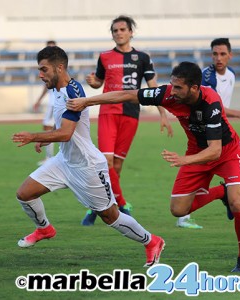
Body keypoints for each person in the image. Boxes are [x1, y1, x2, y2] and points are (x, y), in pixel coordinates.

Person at [66, 61, 240, 272]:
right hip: (195, 152)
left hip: (226, 153)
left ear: (194, 88)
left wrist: (184, 160)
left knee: (237, 203)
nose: (172, 91)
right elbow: (127, 95)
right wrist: (87, 101)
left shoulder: (211, 103)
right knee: (178, 210)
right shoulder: (167, 95)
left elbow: (215, 151)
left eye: (178, 87)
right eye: (172, 85)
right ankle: (222, 192)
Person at [12, 45, 165, 267]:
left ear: (59, 67)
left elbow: (66, 133)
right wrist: (47, 138)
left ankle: (152, 241)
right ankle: (45, 229)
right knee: (24, 193)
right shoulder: (56, 89)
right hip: (64, 161)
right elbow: (65, 128)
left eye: (44, 69)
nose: (40, 74)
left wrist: (34, 136)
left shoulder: (73, 92)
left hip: (88, 166)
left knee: (110, 217)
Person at [82, 15, 173, 226]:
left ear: (131, 32)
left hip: (131, 114)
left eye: (122, 29)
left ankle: (99, 206)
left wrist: (162, 113)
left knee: (118, 167)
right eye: (115, 30)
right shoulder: (104, 57)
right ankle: (122, 205)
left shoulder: (142, 58)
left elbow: (153, 87)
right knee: (106, 162)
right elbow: (99, 82)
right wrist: (93, 82)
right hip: (107, 113)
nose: (119, 33)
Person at [178, 38, 240, 228]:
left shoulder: (230, 74)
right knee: (199, 172)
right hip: (206, 134)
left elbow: (220, 109)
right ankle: (184, 217)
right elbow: (214, 106)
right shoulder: (207, 78)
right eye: (215, 54)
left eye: (223, 54)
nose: (218, 58)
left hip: (223, 133)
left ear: (230, 56)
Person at [33, 40, 57, 166]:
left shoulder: (56, 66)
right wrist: (39, 100)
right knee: (51, 128)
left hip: (55, 103)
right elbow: (47, 86)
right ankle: (50, 157)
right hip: (52, 102)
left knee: (51, 129)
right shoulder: (49, 65)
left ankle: (50, 158)